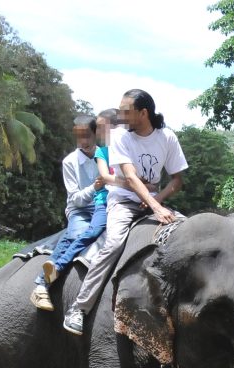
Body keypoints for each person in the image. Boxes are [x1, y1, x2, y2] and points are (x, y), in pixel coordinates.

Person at [62, 89, 187, 335]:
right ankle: (79, 308)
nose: (120, 116)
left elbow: (177, 180)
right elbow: (129, 177)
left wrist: (158, 199)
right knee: (114, 244)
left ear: (143, 113)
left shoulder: (167, 137)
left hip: (153, 202)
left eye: (125, 111)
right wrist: (154, 206)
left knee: (187, 233)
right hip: (123, 202)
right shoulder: (120, 136)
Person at [30, 115, 104, 311]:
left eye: (87, 136)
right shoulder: (70, 162)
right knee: (77, 234)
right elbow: (76, 199)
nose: (84, 142)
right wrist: (95, 188)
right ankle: (42, 284)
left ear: (96, 134)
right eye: (79, 137)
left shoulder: (105, 155)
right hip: (80, 209)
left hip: (103, 206)